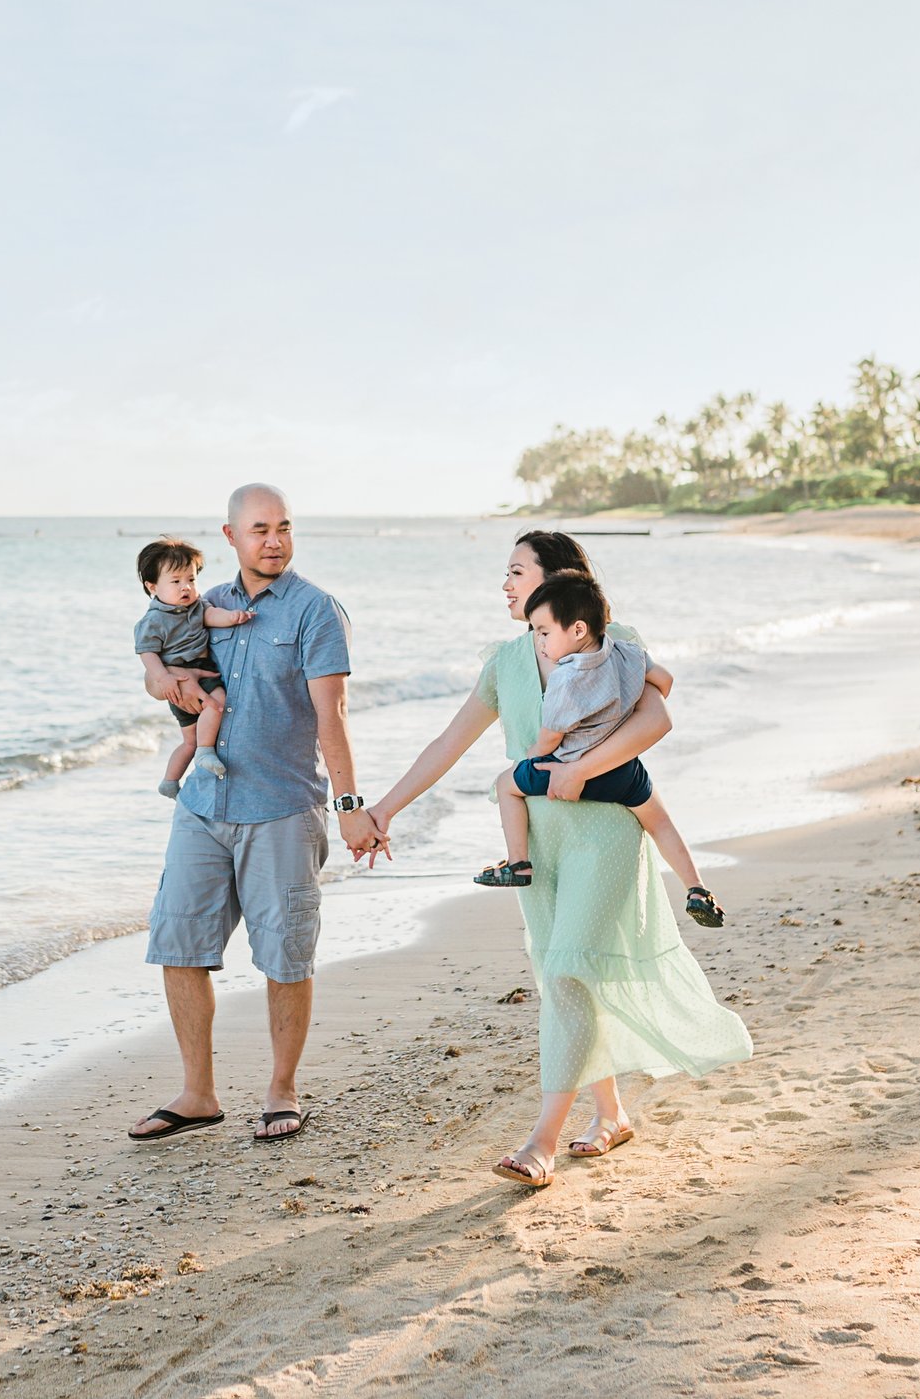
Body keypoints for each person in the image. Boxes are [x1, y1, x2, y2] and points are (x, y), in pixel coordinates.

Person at [367, 530, 750, 1188]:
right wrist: (384, 809)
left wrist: (582, 767)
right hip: (539, 843)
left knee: (570, 970)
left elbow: (655, 720)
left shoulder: (609, 637)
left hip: (605, 830)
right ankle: (613, 1114)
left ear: (557, 579)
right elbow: (448, 741)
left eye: (517, 570)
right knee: (562, 976)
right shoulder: (506, 662)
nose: (506, 583)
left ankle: (541, 1142)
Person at [128, 484, 382, 1145]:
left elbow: (334, 715)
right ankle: (198, 1092)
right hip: (203, 806)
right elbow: (161, 669)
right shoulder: (199, 604)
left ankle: (281, 1088)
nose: (274, 539)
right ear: (231, 536)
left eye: (284, 527)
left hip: (281, 808)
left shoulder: (315, 610)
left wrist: (350, 805)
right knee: (177, 943)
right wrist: (160, 681)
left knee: (285, 955)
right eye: (259, 528)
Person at [479, 571, 658, 889]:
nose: (541, 642)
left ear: (577, 628)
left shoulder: (566, 677)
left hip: (566, 765)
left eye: (544, 633)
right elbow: (665, 682)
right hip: (619, 767)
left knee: (506, 785)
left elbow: (551, 736)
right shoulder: (625, 652)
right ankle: (694, 886)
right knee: (660, 822)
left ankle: (517, 862)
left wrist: (532, 755)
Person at [132, 537, 253, 798]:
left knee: (189, 740)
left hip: (193, 670)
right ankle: (206, 751)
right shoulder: (153, 620)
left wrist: (232, 617)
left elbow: (211, 616)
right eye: (176, 582)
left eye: (191, 579)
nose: (186, 587)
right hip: (177, 677)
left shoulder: (197, 606)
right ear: (152, 586)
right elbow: (147, 652)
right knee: (217, 703)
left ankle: (169, 782)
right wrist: (164, 678)